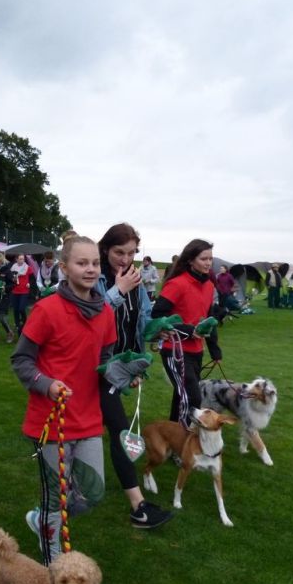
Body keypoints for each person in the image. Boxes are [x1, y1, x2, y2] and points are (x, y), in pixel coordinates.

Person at [10, 235, 116, 562]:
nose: (90, 269)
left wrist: (123, 373)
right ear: (64, 267)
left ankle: (40, 518)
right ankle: (52, 556)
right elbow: (21, 360)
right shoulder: (47, 309)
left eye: (95, 263)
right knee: (55, 498)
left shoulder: (106, 312)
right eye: (82, 263)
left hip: (89, 419)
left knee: (93, 493)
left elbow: (105, 362)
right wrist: (46, 384)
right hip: (50, 420)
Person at [95, 223, 173, 529]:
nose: (126, 259)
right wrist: (119, 290)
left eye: (131, 253)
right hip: (95, 367)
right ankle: (138, 507)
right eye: (119, 252)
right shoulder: (95, 276)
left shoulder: (136, 282)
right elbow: (89, 316)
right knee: (118, 429)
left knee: (105, 429)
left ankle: (76, 485)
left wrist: (157, 331)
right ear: (105, 249)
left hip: (120, 368)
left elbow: (141, 323)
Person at [152, 239, 222, 425]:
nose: (208, 263)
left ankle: (173, 433)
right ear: (191, 260)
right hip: (174, 350)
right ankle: (184, 438)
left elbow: (210, 319)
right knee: (192, 397)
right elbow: (157, 314)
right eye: (203, 259)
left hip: (196, 351)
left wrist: (215, 350)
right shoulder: (177, 284)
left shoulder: (209, 286)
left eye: (210, 259)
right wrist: (189, 330)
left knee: (181, 395)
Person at [9, 253, 35, 338]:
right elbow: (10, 277)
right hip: (15, 291)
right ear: (16, 259)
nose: (22, 260)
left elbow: (32, 278)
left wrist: (29, 283)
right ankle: (17, 325)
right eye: (20, 259)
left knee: (21, 308)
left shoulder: (27, 267)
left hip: (24, 291)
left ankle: (25, 322)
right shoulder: (13, 267)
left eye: (23, 259)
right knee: (15, 309)